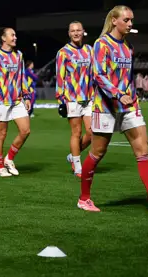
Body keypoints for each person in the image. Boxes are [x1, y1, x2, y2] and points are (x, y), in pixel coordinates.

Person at [77, 5, 148, 214]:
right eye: (127, 20)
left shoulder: (128, 47)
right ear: (114, 20)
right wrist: (116, 93)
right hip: (105, 106)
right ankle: (84, 199)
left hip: (129, 105)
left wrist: (131, 94)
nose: (131, 24)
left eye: (132, 20)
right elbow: (98, 75)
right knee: (97, 152)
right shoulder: (101, 44)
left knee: (143, 149)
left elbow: (128, 76)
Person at [0, 28, 31, 177]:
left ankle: (9, 158)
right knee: (1, 134)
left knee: (25, 131)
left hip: (17, 100)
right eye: (12, 35)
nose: (15, 37)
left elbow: (22, 76)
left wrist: (27, 96)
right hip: (1, 101)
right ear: (3, 38)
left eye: (15, 35)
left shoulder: (18, 55)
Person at [56, 21, 93, 178]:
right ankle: (77, 167)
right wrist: (60, 99)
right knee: (76, 132)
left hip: (90, 97)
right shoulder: (63, 52)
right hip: (72, 98)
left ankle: (73, 155)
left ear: (83, 31)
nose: (76, 33)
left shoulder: (89, 50)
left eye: (79, 30)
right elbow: (60, 77)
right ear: (69, 33)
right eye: (73, 31)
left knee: (92, 133)